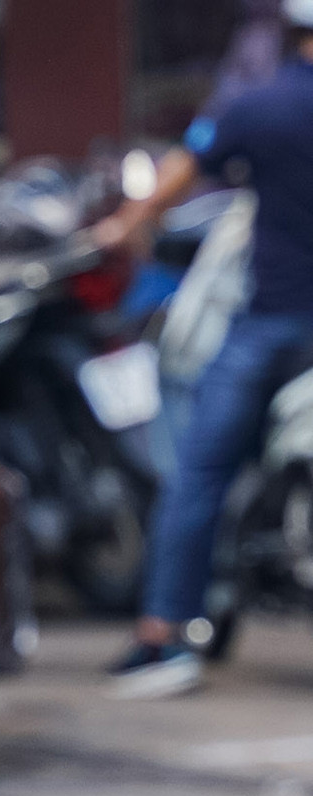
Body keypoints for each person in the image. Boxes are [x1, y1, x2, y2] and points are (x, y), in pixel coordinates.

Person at [96, 0, 313, 697]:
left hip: (271, 328)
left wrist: (125, 225)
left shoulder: (261, 106)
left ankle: (162, 636)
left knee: (198, 474)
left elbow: (181, 173)